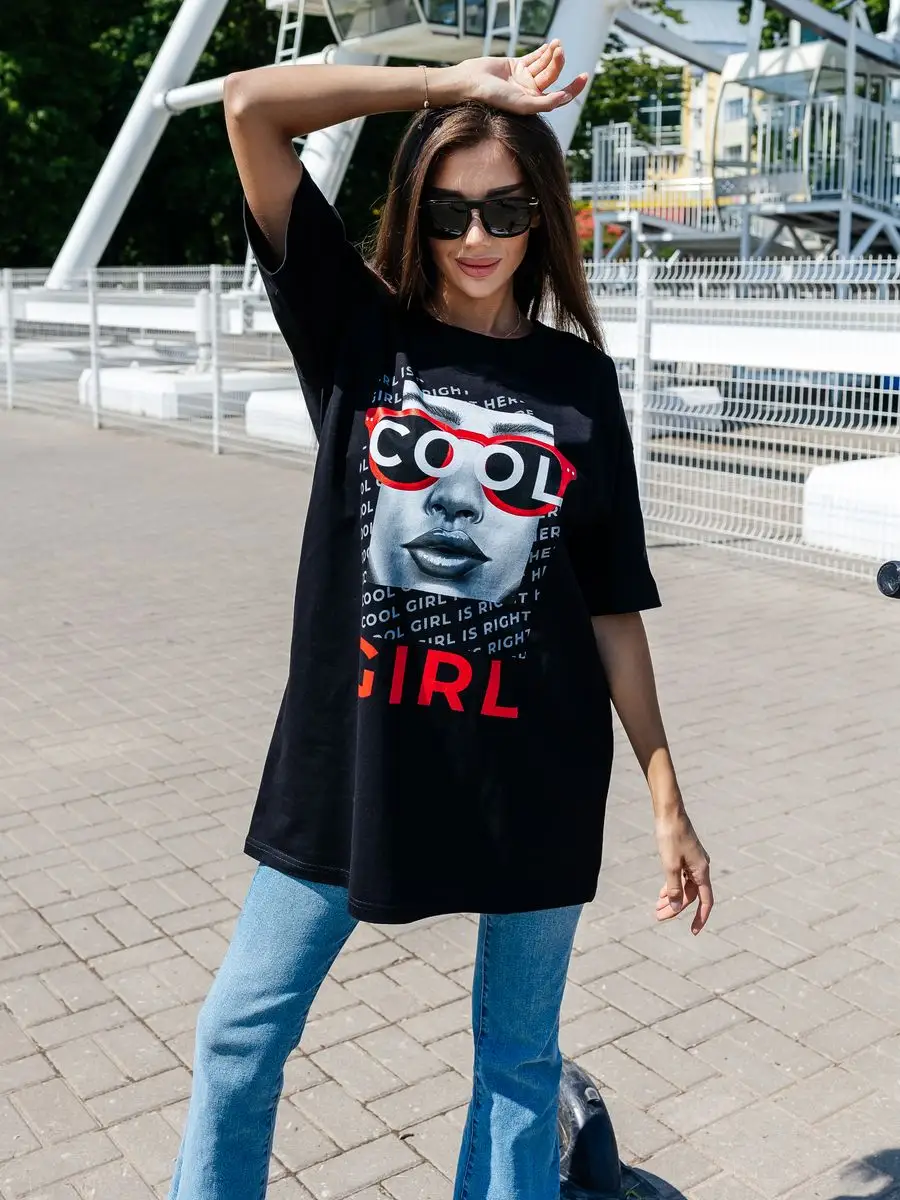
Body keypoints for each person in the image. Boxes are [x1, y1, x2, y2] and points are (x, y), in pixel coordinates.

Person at [168, 41, 714, 1200]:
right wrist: (453, 87)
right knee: (237, 1036)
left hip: (534, 777)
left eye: (505, 209)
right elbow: (252, 105)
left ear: (540, 217)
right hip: (351, 763)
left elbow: (611, 605)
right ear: (415, 215)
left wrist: (669, 800)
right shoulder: (358, 333)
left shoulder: (578, 384)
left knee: (517, 1066)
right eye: (449, 209)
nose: (476, 236)